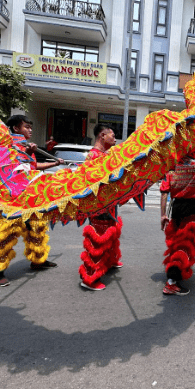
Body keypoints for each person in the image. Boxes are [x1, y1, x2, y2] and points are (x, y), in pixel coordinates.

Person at [0, 115, 64, 287]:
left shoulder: (26, 145)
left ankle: (38, 260)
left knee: (36, 227)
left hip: (29, 195)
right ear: (15, 129)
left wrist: (54, 163)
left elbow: (32, 167)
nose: (30, 130)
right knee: (7, 231)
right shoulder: (10, 144)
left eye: (30, 127)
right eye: (26, 127)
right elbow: (15, 166)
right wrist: (27, 153)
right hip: (13, 197)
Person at [79, 124, 124, 291]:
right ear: (102, 136)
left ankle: (110, 261)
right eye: (112, 135)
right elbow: (92, 183)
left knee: (111, 233)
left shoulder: (103, 155)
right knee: (98, 239)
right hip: (99, 205)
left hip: (109, 203)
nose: (114, 139)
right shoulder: (94, 156)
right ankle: (89, 277)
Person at [159, 154, 195, 296]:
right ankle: (172, 282)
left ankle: (175, 273)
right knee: (185, 244)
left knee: (176, 242)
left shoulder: (171, 169)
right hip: (191, 208)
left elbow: (163, 193)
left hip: (177, 207)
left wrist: (162, 215)